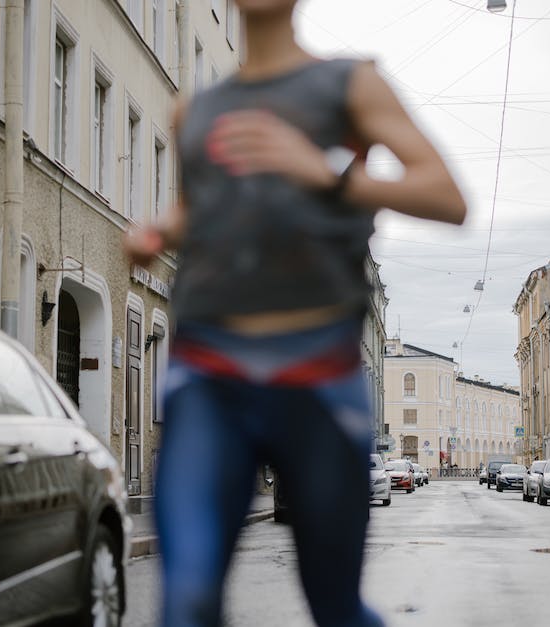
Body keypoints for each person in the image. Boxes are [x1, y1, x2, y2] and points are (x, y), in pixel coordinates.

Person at [124, 1, 467, 624]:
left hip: (317, 373)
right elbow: (197, 208)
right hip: (208, 373)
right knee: (187, 600)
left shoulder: (349, 84)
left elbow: (445, 195)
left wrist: (323, 174)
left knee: (333, 605)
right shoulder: (193, 111)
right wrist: (156, 231)